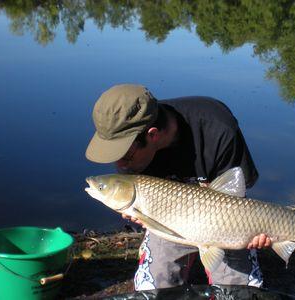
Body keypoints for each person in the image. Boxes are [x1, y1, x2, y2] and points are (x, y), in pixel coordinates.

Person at [85, 84, 272, 291]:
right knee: (154, 289)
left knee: (240, 292)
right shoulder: (128, 146)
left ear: (153, 134)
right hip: (169, 222)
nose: (120, 165)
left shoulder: (218, 128)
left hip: (224, 221)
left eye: (126, 157)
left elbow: (234, 193)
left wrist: (253, 232)